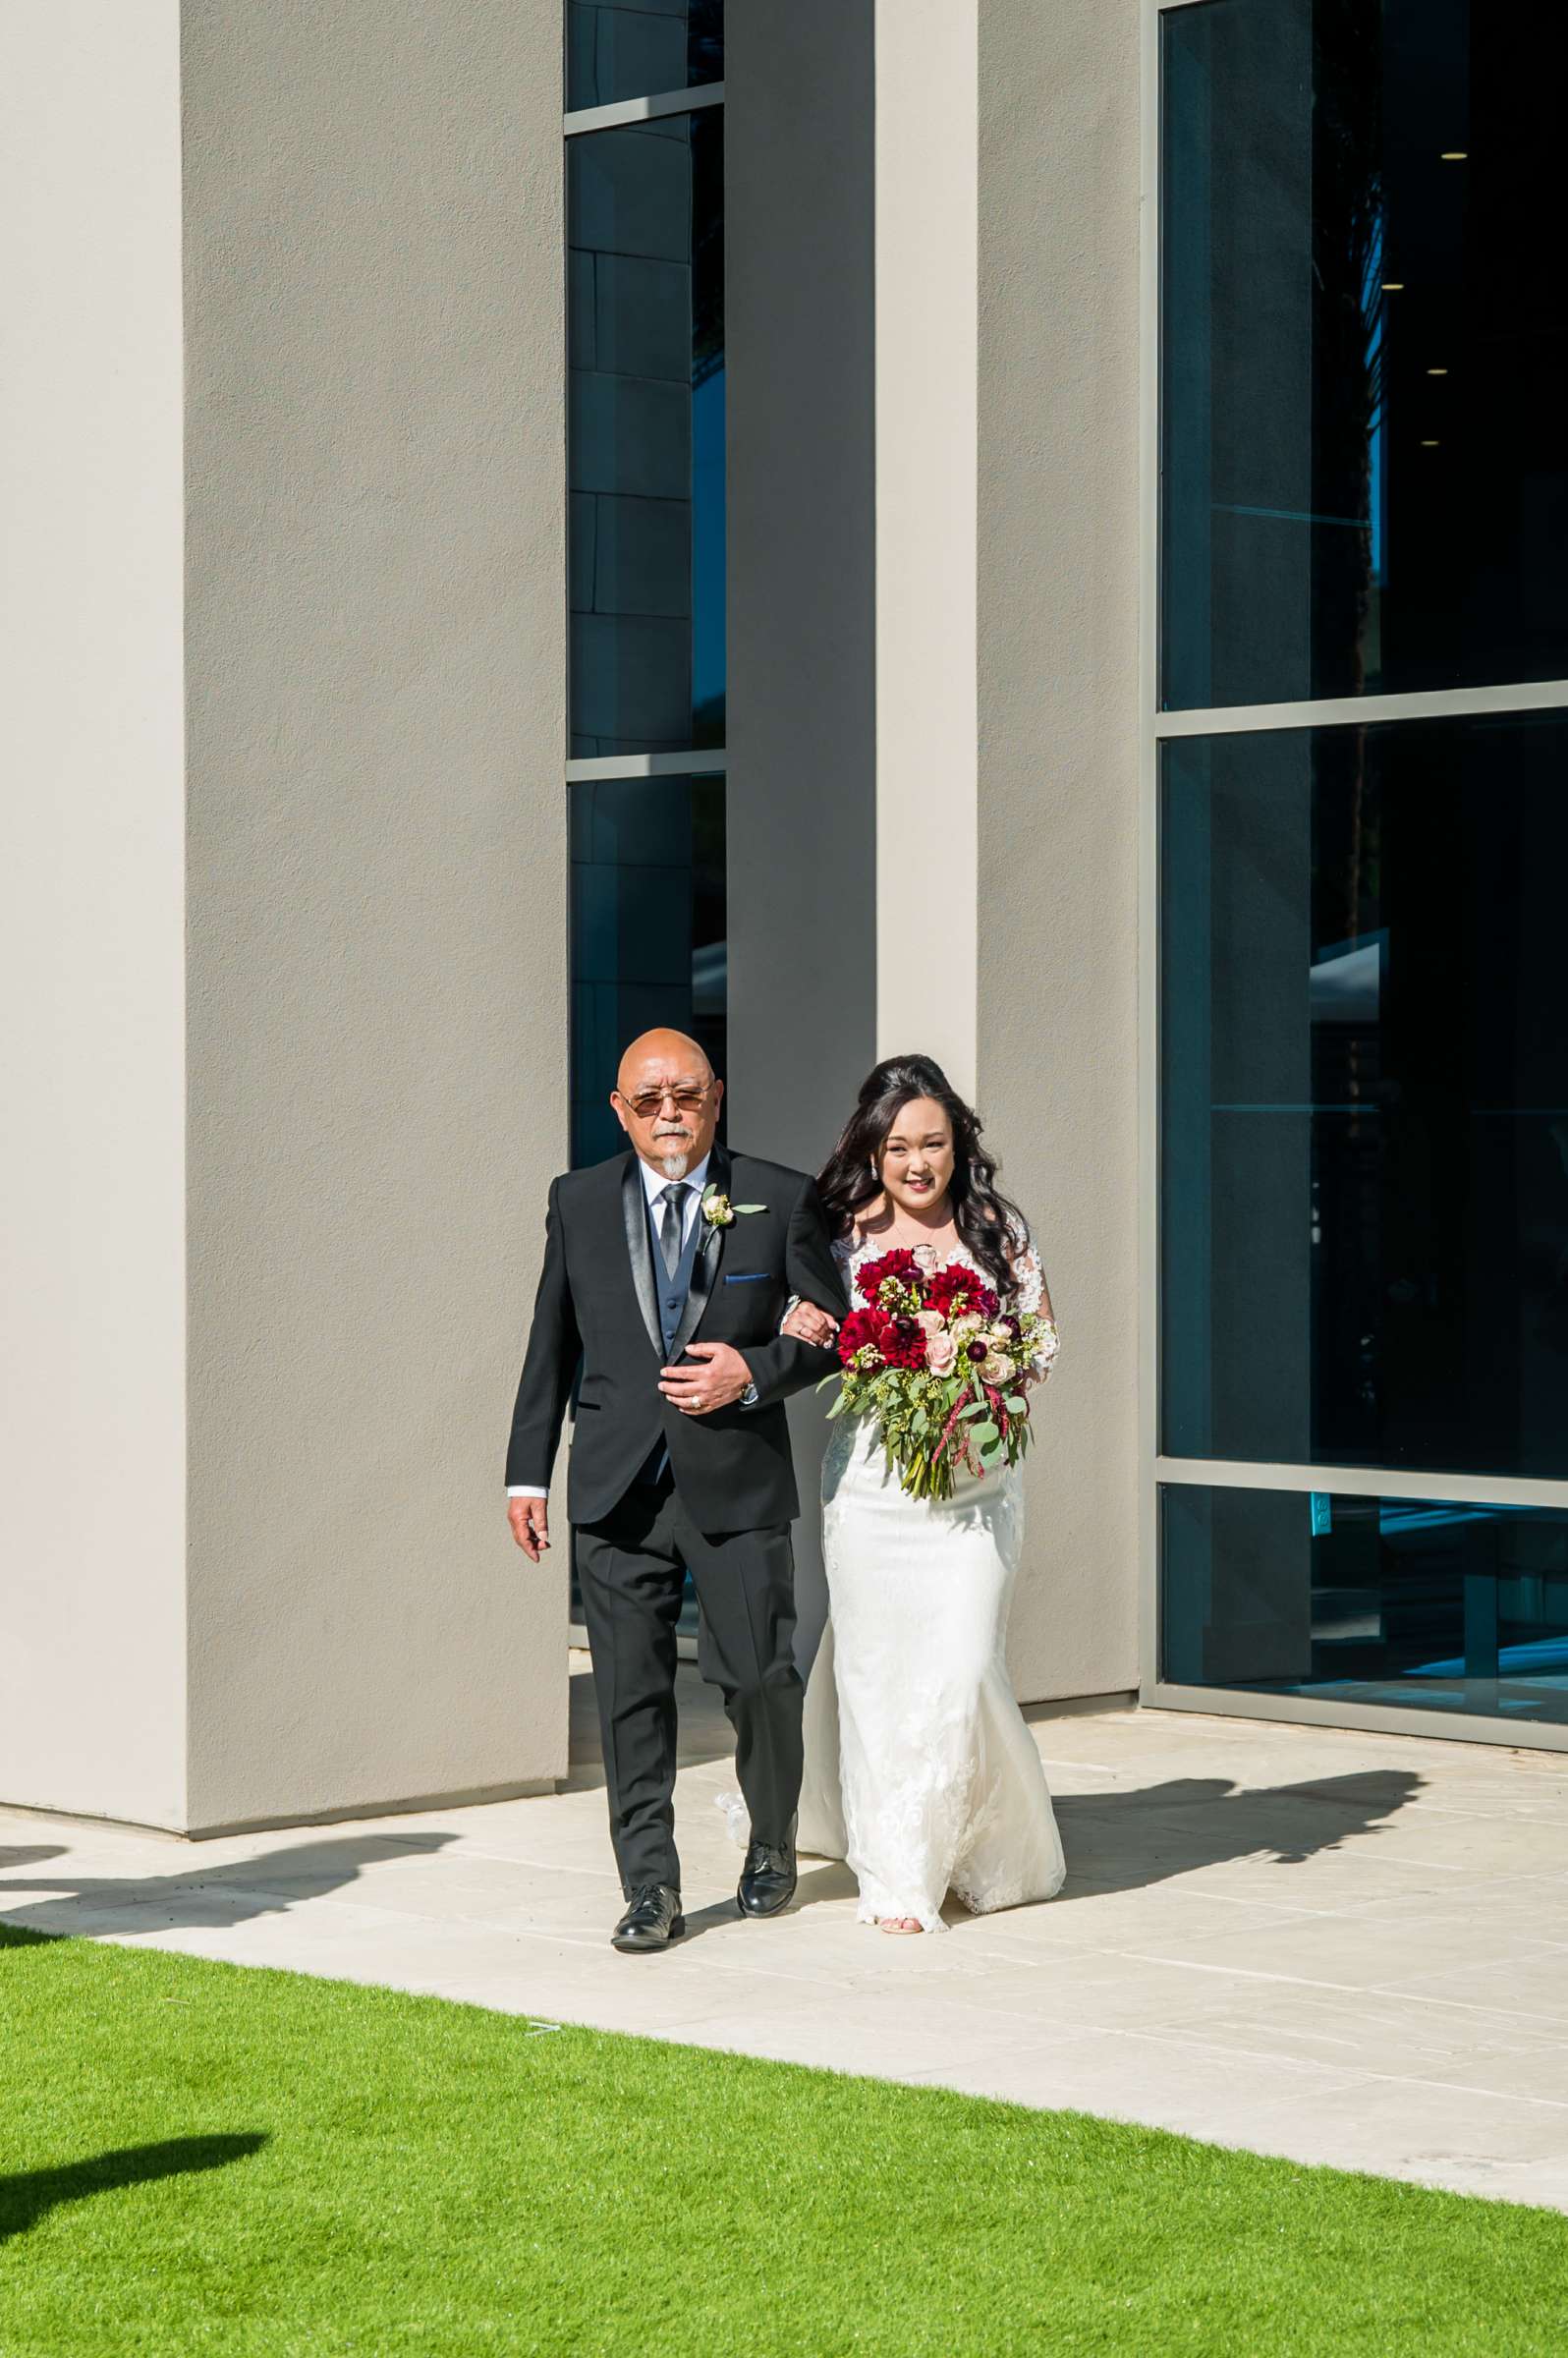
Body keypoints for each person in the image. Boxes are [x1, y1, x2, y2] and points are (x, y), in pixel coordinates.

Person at [506, 1030, 846, 1954]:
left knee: (760, 1681)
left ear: (716, 1097)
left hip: (734, 1486)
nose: (668, 1114)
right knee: (628, 1697)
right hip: (615, 1490)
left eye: (685, 1096)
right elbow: (552, 1341)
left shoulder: (780, 1198)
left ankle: (773, 1841)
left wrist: (755, 1370)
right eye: (648, 1100)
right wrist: (527, 1472)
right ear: (618, 1108)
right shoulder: (576, 1201)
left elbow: (834, 1333)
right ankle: (649, 1888)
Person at [780, 1053, 1066, 1933]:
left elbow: (1042, 1342)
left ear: (958, 1145)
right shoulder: (838, 1234)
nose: (915, 1163)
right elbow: (808, 1328)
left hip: (977, 1485)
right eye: (898, 1146)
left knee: (964, 1661)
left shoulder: (994, 1227)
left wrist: (987, 1371)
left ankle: (976, 1838)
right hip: (872, 1487)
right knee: (876, 1669)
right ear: (872, 1149)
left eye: (932, 1144)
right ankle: (900, 1870)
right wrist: (799, 1323)